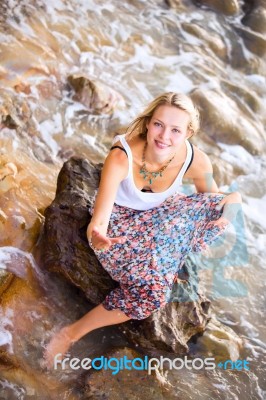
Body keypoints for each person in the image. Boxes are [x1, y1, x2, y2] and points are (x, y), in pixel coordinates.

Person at [44, 92, 242, 367]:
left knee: (223, 206)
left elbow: (212, 200)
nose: (164, 136)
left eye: (175, 130)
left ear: (188, 133)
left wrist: (234, 201)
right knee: (151, 295)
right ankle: (70, 334)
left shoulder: (197, 161)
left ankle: (171, 257)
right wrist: (97, 236)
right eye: (159, 125)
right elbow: (99, 219)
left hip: (161, 217)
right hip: (120, 226)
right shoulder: (121, 157)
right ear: (148, 123)